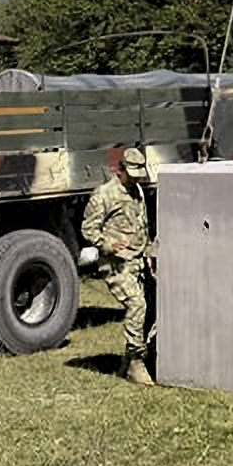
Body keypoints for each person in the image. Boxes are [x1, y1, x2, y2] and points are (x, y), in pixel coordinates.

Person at [82, 146, 156, 386]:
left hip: (137, 262)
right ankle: (136, 361)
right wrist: (109, 244)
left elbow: (141, 226)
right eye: (131, 173)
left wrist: (149, 254)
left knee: (151, 307)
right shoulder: (104, 195)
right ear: (119, 169)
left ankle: (128, 361)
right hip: (116, 265)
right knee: (137, 304)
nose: (135, 178)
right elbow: (88, 230)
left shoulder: (137, 192)